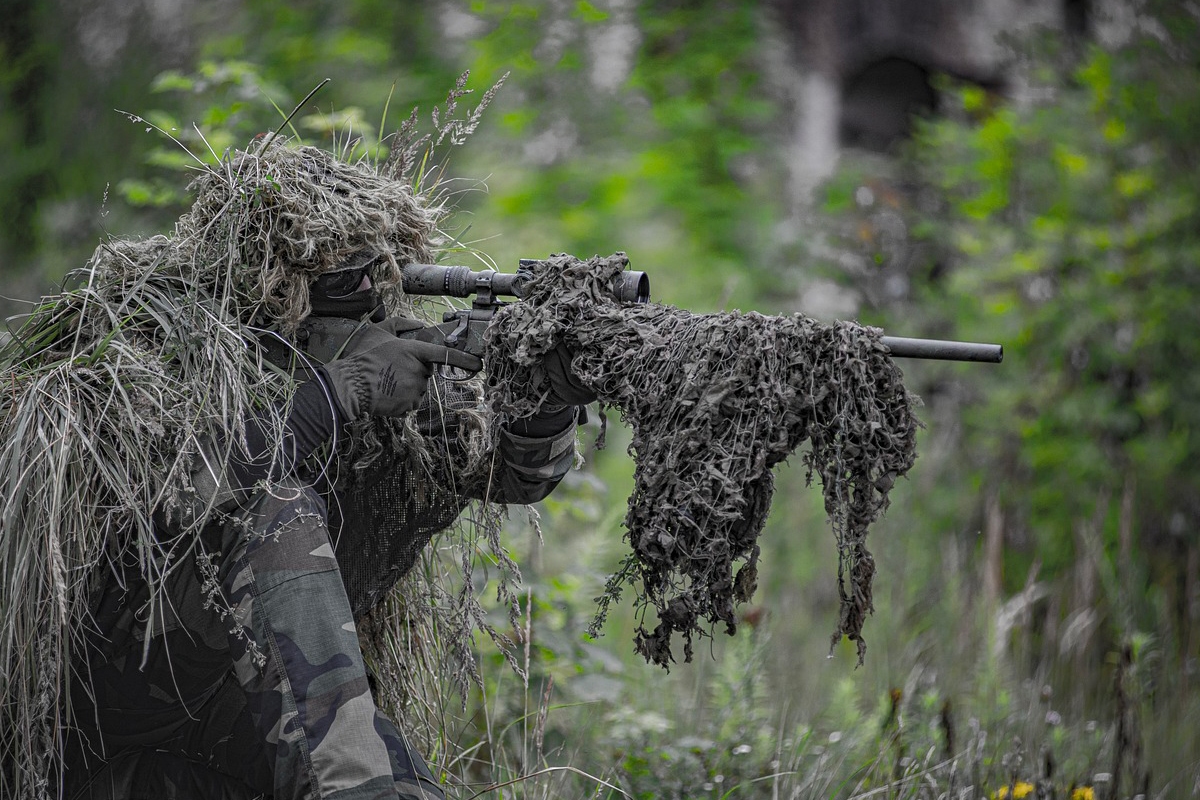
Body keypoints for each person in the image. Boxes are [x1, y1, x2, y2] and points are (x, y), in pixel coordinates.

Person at [62, 251, 593, 800]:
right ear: (274, 293)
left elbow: (508, 476)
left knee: (399, 787)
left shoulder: (380, 360)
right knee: (276, 510)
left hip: (218, 707)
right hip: (97, 715)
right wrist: (334, 395)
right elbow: (175, 501)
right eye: (342, 279)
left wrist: (545, 400)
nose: (368, 295)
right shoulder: (167, 345)